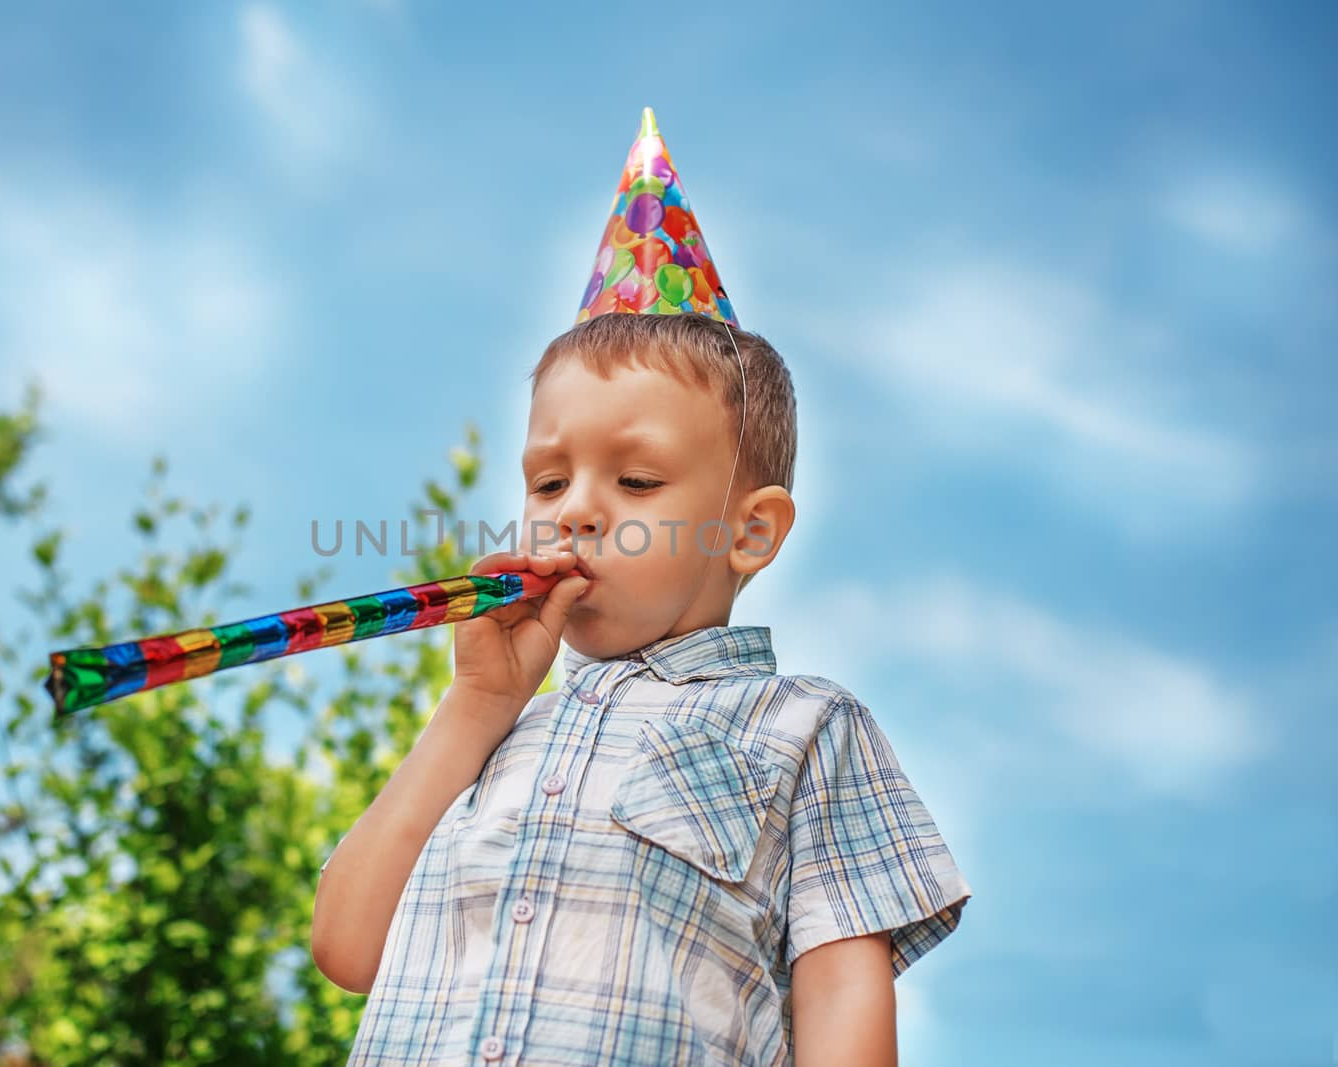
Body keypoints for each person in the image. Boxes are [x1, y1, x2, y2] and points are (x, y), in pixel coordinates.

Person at [312, 109, 972, 1067]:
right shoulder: (495, 737)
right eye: (548, 482)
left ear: (750, 531)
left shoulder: (802, 728)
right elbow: (348, 947)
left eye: (636, 480)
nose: (575, 510)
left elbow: (838, 996)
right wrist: (478, 704)